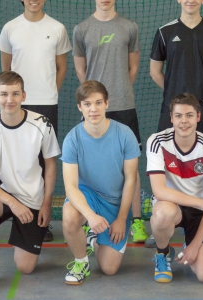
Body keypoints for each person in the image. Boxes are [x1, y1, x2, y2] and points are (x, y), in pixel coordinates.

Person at [149, 0, 203, 249]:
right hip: (170, 113)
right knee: (167, 169)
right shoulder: (164, 31)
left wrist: (198, 100)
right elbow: (155, 71)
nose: (191, 0)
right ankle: (162, 221)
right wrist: (177, 101)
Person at [0, 71, 60, 292]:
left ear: (23, 96)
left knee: (25, 267)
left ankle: (23, 237)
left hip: (33, 199)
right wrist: (12, 202)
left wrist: (47, 203)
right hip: (5, 198)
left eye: (15, 94)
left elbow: (51, 166)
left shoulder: (42, 124)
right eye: (4, 94)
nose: (10, 99)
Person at [73, 0, 148, 243]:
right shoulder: (81, 29)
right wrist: (95, 100)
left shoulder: (129, 27)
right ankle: (88, 219)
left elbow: (134, 66)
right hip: (93, 109)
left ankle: (137, 221)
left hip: (124, 105)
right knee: (88, 165)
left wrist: (117, 92)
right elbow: (81, 69)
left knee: (131, 166)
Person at [0, 0, 71, 241]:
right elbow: (6, 69)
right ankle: (18, 215)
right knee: (16, 161)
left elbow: (61, 67)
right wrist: (12, 98)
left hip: (47, 103)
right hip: (16, 104)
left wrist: (51, 91)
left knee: (43, 161)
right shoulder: (10, 28)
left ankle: (43, 220)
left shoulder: (58, 28)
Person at [61, 81, 140, 285]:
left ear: (107, 103)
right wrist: (90, 215)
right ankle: (81, 261)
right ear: (80, 107)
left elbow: (131, 179)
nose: (93, 109)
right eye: (87, 104)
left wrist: (122, 218)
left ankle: (92, 237)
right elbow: (70, 186)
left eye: (98, 103)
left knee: (109, 269)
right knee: (70, 216)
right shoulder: (72, 139)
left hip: (114, 203)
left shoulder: (125, 134)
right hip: (87, 196)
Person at [146, 93, 203, 283]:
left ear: (198, 117)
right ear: (171, 118)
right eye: (178, 116)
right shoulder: (157, 142)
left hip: (198, 214)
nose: (184, 121)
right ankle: (163, 253)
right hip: (171, 206)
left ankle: (190, 240)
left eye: (189, 115)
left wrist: (195, 246)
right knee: (163, 212)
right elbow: (159, 191)